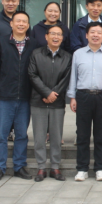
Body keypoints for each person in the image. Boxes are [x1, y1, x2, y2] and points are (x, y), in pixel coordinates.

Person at [0, 11, 39, 181]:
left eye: (24, 21)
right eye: (18, 21)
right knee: (1, 135)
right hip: (5, 97)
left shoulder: (34, 44)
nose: (21, 24)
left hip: (25, 97)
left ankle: (19, 166)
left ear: (28, 25)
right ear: (11, 24)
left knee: (22, 135)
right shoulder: (1, 42)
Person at [68, 22, 102, 182]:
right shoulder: (78, 54)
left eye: (99, 33)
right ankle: (82, 169)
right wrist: (72, 97)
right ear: (86, 35)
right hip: (83, 96)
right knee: (82, 134)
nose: (95, 35)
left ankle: (100, 168)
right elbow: (73, 76)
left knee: (100, 135)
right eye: (92, 32)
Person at [28, 25, 72, 182]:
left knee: (56, 136)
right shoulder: (36, 54)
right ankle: (41, 167)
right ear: (46, 36)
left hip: (57, 103)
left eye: (59, 34)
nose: (56, 37)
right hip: (38, 101)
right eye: (53, 33)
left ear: (62, 38)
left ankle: (55, 167)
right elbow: (32, 75)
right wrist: (46, 93)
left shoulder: (67, 57)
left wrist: (53, 94)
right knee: (39, 137)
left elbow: (66, 78)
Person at [0, 0, 27, 139]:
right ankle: (1, 132)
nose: (10, 3)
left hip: (18, 69)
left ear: (18, 2)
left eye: (13, 0)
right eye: (7, 0)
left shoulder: (22, 20)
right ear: (2, 1)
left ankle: (14, 131)